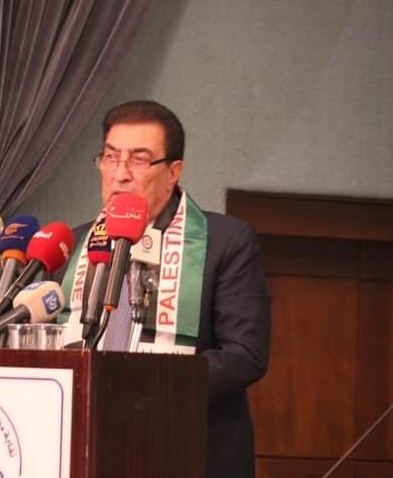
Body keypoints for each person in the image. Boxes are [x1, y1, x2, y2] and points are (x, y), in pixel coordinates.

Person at [55, 100, 271, 478]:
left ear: (173, 172)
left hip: (186, 447)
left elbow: (244, 355)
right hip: (85, 447)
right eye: (110, 157)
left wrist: (140, 388)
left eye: (139, 160)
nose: (120, 174)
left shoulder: (224, 242)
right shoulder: (74, 246)